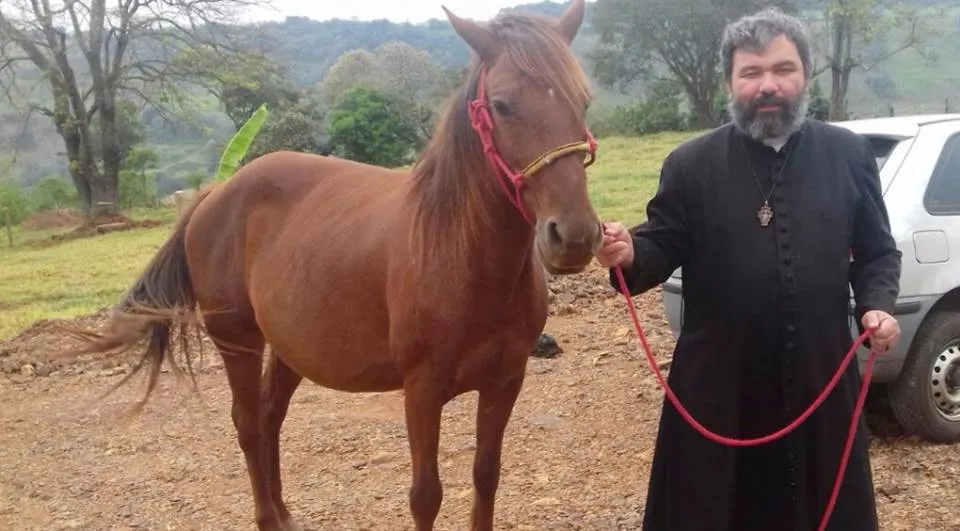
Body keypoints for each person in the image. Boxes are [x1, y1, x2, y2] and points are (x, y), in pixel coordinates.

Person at [595, 7, 902, 531]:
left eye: (782, 69)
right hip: (718, 388)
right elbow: (659, 246)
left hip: (820, 378)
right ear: (730, 82)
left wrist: (878, 305)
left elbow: (877, 252)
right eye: (751, 73)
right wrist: (627, 253)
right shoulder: (690, 164)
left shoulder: (848, 155)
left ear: (805, 73)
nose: (768, 86)